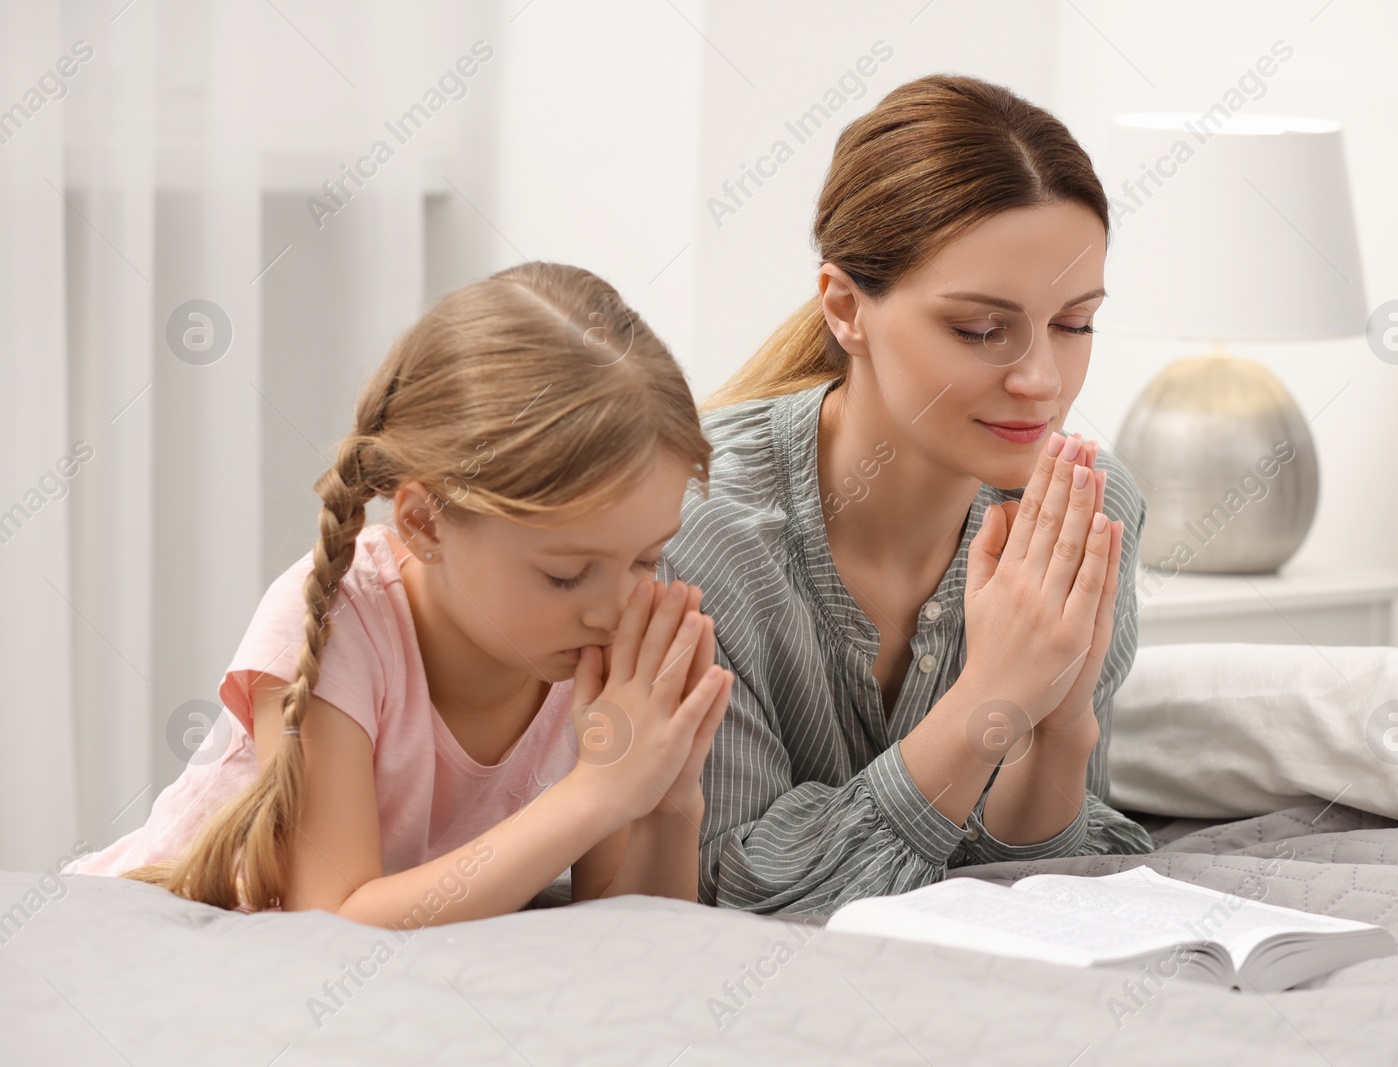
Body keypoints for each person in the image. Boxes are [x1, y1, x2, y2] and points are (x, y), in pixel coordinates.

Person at [65, 262, 734, 926]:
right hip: (139, 933)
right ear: (422, 521)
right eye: (565, 573)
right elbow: (334, 920)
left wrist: (667, 802)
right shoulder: (337, 620)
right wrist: (594, 793)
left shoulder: (580, 642)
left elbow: (628, 930)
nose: (615, 607)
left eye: (646, 559)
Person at [662, 74, 1154, 915]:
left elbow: (1044, 887)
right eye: (979, 330)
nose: (1041, 380)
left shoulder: (1091, 511)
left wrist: (1063, 721)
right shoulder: (699, 530)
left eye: (1075, 324)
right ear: (847, 308)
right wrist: (991, 699)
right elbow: (736, 890)